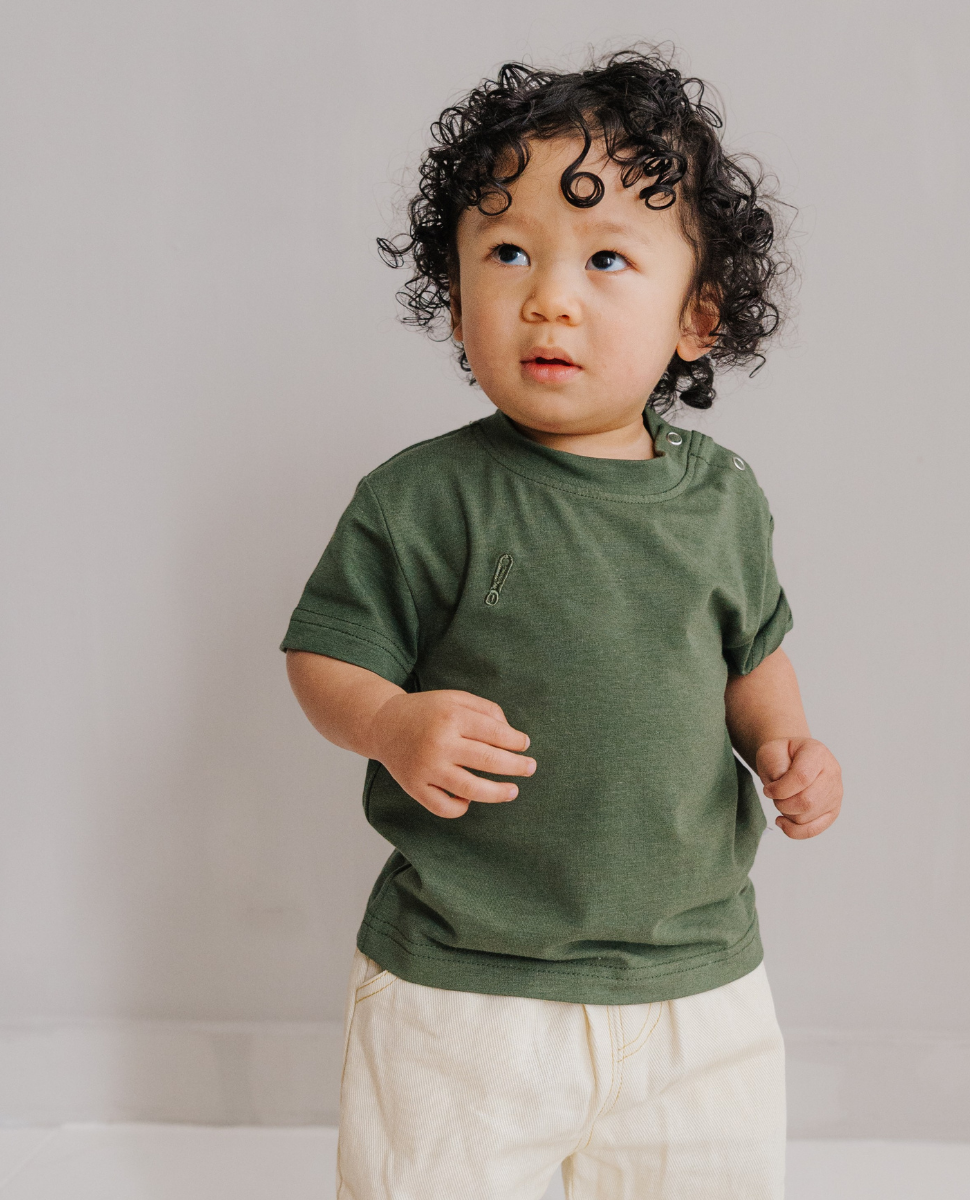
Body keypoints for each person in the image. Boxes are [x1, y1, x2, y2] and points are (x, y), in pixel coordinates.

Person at [282, 48, 843, 1200]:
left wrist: (787, 744)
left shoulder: (722, 498)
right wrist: (390, 723)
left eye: (605, 259)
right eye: (507, 254)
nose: (549, 296)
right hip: (464, 988)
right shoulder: (423, 499)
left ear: (697, 315)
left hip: (696, 983)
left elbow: (753, 658)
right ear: (455, 303)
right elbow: (322, 655)